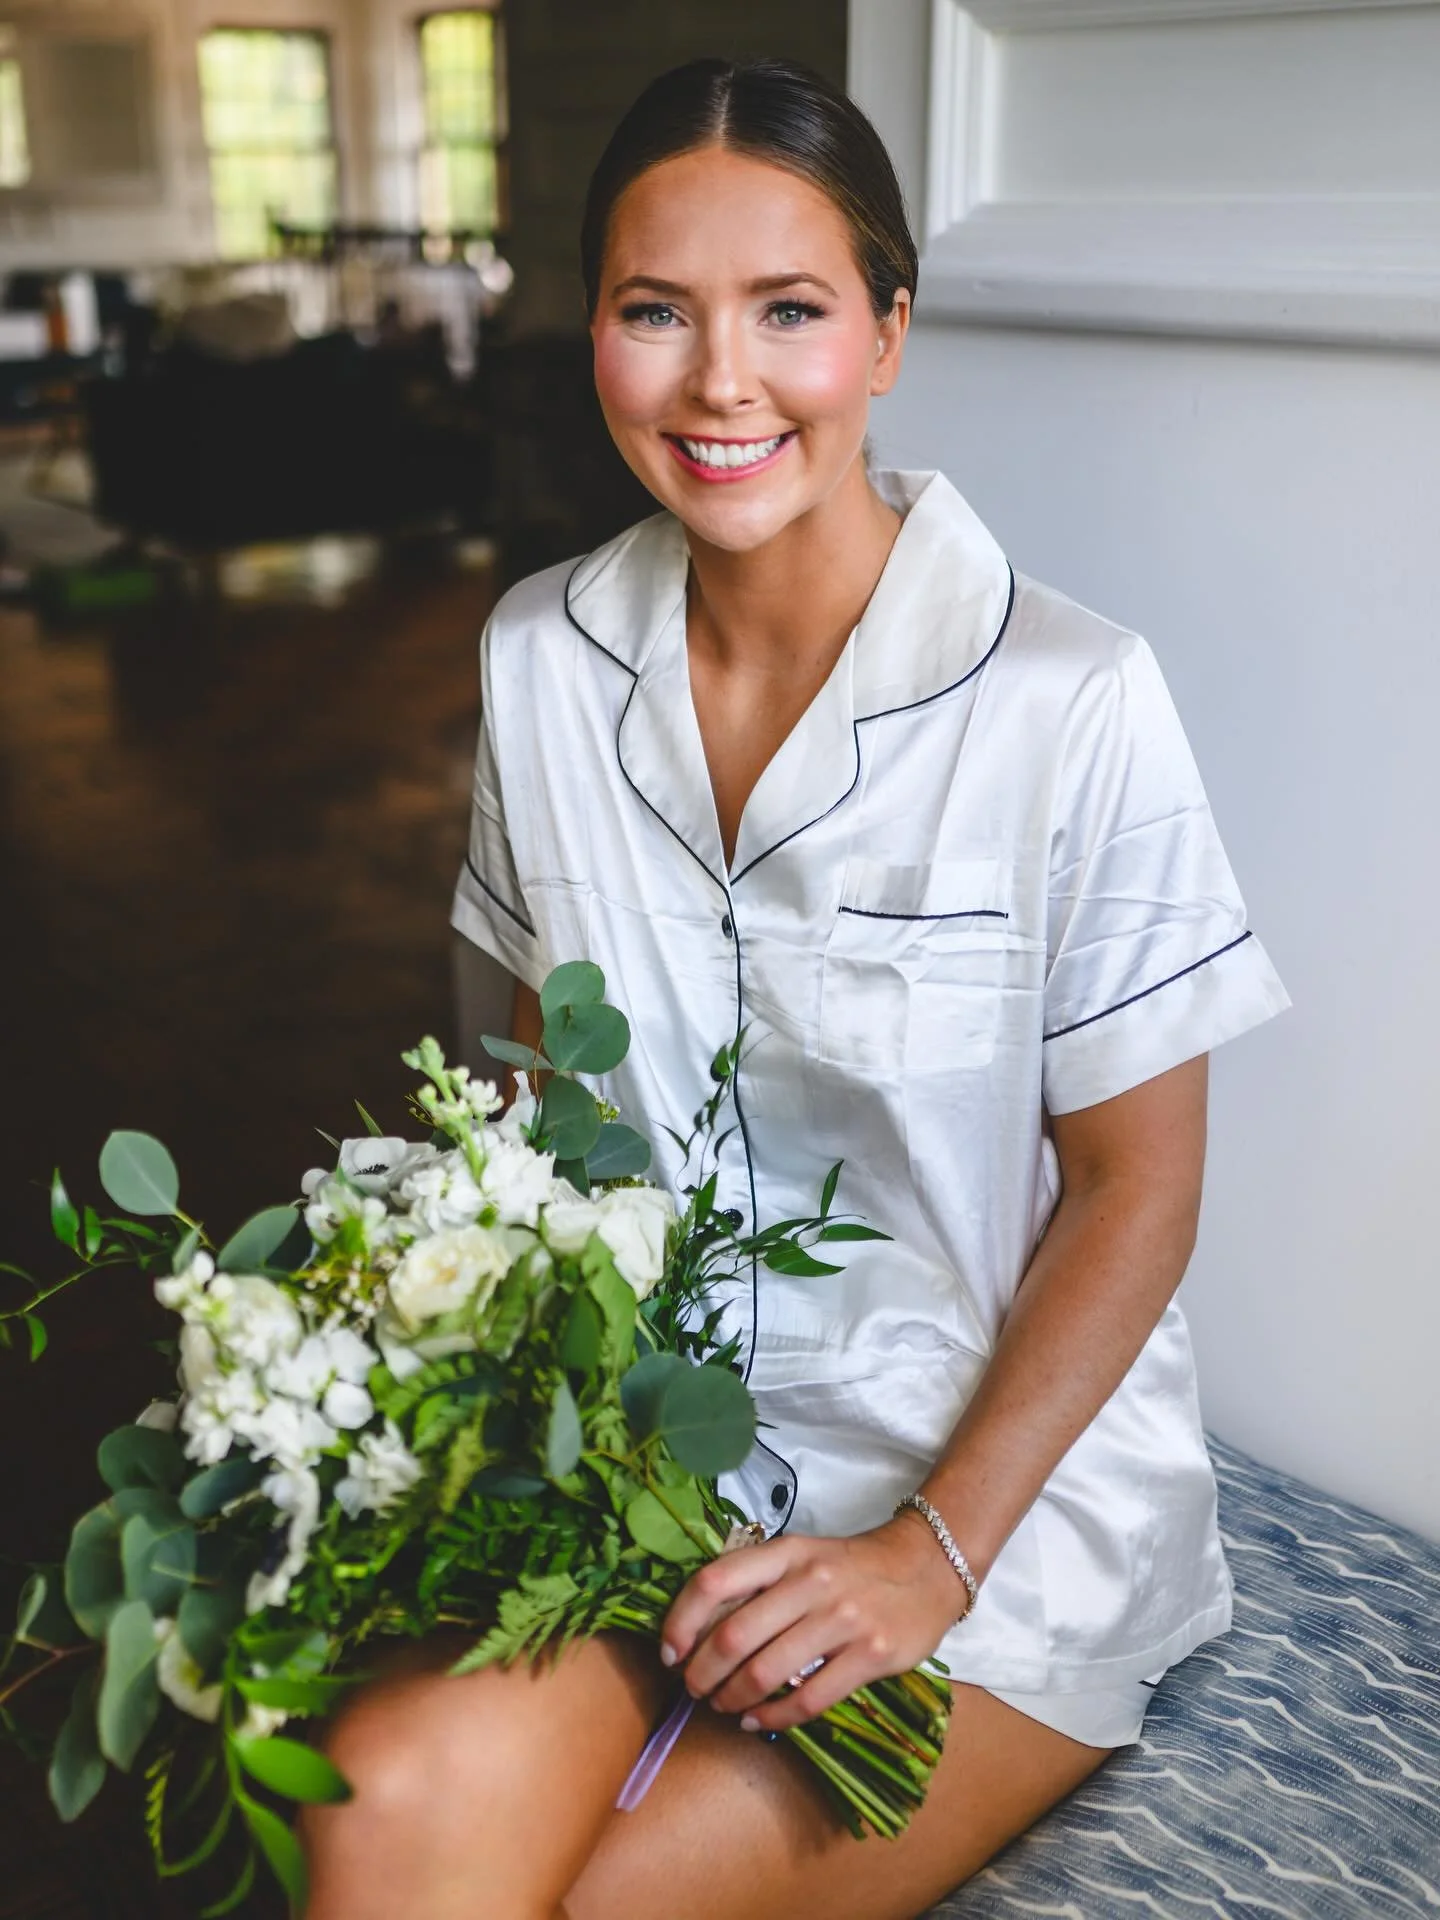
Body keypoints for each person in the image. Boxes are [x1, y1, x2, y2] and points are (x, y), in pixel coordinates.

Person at [302, 57, 1289, 1920]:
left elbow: (1140, 1184)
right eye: (655, 311)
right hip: (643, 1470)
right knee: (378, 1802)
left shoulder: (1073, 700)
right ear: (591, 327)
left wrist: (928, 1550)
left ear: (890, 331)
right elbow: (532, 1104)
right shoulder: (536, 657)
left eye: (791, 312)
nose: (721, 381)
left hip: (985, 1509)